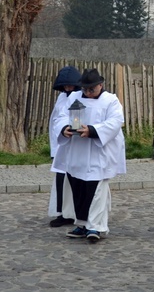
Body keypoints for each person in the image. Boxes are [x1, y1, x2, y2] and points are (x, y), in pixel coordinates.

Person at [51, 68, 126, 242]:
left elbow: (116, 122)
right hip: (77, 152)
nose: (87, 92)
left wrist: (92, 131)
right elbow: (61, 117)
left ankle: (96, 227)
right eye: (85, 89)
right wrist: (65, 128)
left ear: (100, 85)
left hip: (99, 153)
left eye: (91, 89)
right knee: (79, 190)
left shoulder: (111, 101)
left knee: (96, 190)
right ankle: (83, 224)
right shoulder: (74, 98)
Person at [48, 66, 81, 227]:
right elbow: (57, 118)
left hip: (73, 143)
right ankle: (62, 211)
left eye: (70, 85)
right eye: (65, 86)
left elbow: (76, 118)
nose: (68, 88)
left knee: (73, 179)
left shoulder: (78, 97)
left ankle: (72, 212)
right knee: (61, 178)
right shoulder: (62, 97)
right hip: (60, 141)